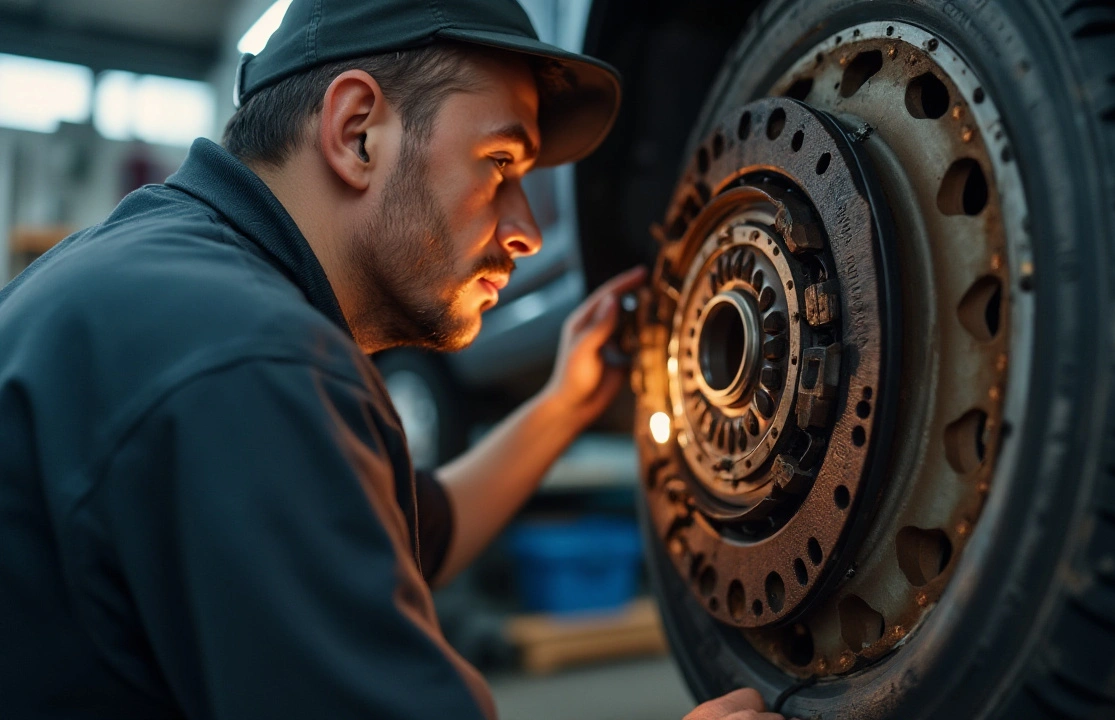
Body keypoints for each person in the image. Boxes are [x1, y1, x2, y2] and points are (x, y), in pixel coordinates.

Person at [0, 1, 787, 718]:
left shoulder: (177, 287)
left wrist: (564, 405)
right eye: (502, 165)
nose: (527, 232)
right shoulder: (252, 361)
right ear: (357, 132)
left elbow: (419, 533)